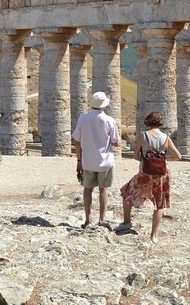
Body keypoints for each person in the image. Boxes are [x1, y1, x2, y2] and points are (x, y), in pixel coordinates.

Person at [116, 111, 182, 244]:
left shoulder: (143, 136)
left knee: (127, 191)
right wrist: (164, 158)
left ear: (147, 123)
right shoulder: (166, 137)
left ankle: (127, 222)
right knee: (159, 204)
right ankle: (153, 236)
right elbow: (178, 156)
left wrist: (147, 159)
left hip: (145, 172)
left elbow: (135, 156)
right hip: (162, 173)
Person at [72, 91, 121, 229]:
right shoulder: (110, 120)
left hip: (87, 161)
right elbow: (116, 142)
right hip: (105, 162)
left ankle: (88, 220)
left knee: (87, 190)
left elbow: (76, 141)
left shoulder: (82, 119)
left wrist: (79, 161)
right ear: (104, 105)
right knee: (103, 190)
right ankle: (102, 219)